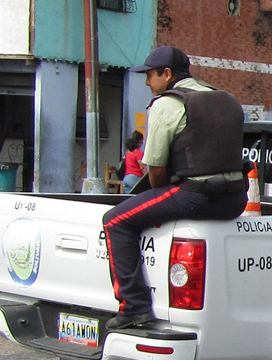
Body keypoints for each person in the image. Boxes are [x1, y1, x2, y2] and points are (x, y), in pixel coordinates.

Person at [102, 46, 247, 329]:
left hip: (197, 196)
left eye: (149, 75)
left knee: (115, 221)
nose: (147, 83)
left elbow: (155, 169)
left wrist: (157, 192)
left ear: (166, 74)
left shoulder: (166, 104)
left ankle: (134, 306)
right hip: (235, 198)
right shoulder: (225, 98)